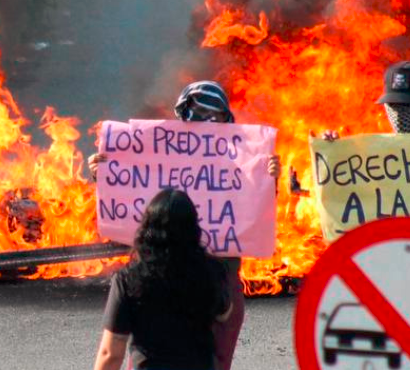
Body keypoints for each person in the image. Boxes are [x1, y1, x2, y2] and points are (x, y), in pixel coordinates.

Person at [87, 80, 276, 370]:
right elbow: (136, 198)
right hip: (166, 276)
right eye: (198, 115)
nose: (206, 123)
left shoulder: (243, 156)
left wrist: (268, 179)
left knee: (207, 360)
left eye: (214, 116)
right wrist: (108, 172)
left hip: (216, 278)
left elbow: (253, 207)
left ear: (226, 118)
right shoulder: (162, 151)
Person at [92, 188, 233, 370]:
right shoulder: (212, 271)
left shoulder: (129, 279)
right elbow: (225, 313)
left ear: (147, 228)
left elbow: (110, 354)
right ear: (193, 228)